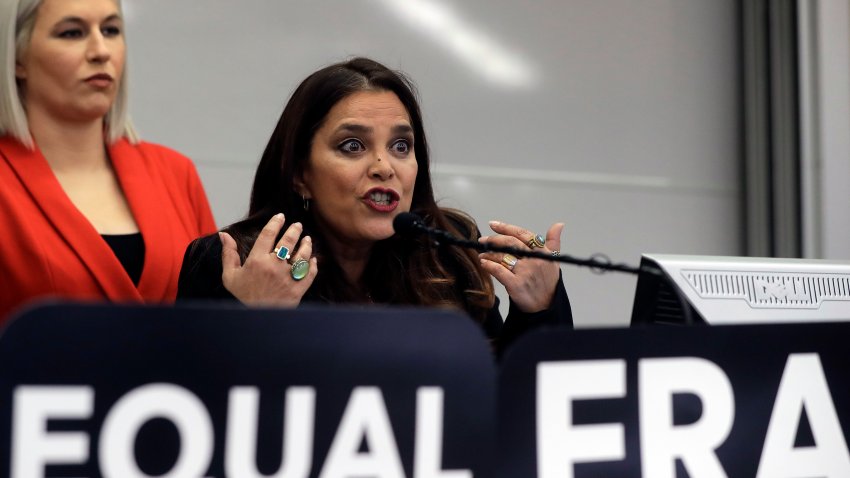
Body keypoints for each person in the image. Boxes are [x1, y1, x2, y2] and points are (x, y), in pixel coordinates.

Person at [177, 57, 571, 355]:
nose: (384, 167)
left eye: (401, 146)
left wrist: (538, 310)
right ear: (300, 174)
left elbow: (501, 403)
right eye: (353, 146)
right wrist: (251, 321)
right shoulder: (235, 261)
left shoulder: (447, 254)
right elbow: (190, 409)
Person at [0, 0, 217, 323]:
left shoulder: (175, 173)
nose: (101, 51)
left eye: (111, 30)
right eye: (72, 33)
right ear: (17, 57)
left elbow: (214, 321)